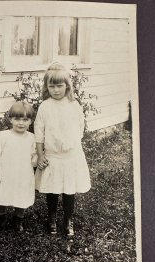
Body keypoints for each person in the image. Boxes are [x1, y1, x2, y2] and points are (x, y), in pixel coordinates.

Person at [34, 62, 91, 236]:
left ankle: (68, 218)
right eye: (52, 86)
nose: (56, 90)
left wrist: (70, 146)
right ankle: (52, 217)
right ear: (47, 87)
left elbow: (80, 129)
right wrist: (41, 154)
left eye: (60, 85)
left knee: (69, 189)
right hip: (52, 156)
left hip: (70, 156)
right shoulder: (45, 107)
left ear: (67, 86)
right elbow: (39, 133)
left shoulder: (74, 106)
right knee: (52, 189)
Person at [0, 102, 37, 233]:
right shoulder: (3, 136)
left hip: (23, 174)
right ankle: (1, 218)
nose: (21, 123)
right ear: (10, 119)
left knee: (22, 196)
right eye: (17, 119)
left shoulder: (32, 138)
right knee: (1, 196)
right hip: (6, 174)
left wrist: (37, 160)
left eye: (25, 119)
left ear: (30, 121)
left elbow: (34, 155)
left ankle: (18, 218)